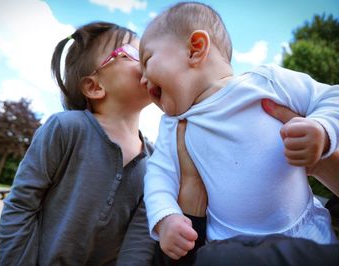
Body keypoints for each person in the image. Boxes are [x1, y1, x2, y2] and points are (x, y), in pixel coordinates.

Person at [140, 1, 339, 260]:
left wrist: (322, 130)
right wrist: (166, 218)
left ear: (195, 49)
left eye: (147, 61)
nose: (142, 79)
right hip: (227, 246)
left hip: (309, 231)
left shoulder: (266, 82)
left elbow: (331, 97)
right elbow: (158, 177)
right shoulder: (173, 124)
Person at [0, 21, 156, 265]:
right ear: (94, 87)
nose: (148, 60)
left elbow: (139, 239)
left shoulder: (155, 161)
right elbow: (21, 206)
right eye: (134, 54)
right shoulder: (66, 129)